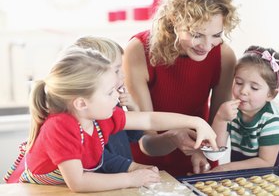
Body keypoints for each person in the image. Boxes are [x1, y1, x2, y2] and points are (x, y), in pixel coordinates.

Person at [3, 47, 217, 192]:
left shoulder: (100, 116)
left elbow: (149, 121)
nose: (117, 96)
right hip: (36, 190)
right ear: (81, 103)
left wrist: (195, 122)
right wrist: (131, 178)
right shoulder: (60, 126)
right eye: (109, 92)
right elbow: (78, 182)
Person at [123, 0, 240, 176]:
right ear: (175, 21)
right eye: (197, 35)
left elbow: (217, 128)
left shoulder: (224, 56)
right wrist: (174, 137)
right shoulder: (139, 51)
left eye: (216, 35)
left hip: (199, 168)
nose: (206, 46)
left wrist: (205, 152)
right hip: (148, 170)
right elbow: (146, 142)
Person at [209, 45, 279, 172]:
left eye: (254, 88)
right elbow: (217, 147)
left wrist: (227, 168)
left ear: (271, 94)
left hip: (274, 178)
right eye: (239, 83)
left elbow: (266, 161)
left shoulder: (271, 120)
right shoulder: (232, 111)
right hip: (243, 178)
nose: (243, 91)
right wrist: (220, 118)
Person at [73, 36, 145, 174]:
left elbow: (134, 136)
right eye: (117, 70)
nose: (123, 75)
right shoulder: (87, 112)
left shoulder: (111, 103)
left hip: (121, 180)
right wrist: (131, 167)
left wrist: (133, 109)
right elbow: (96, 158)